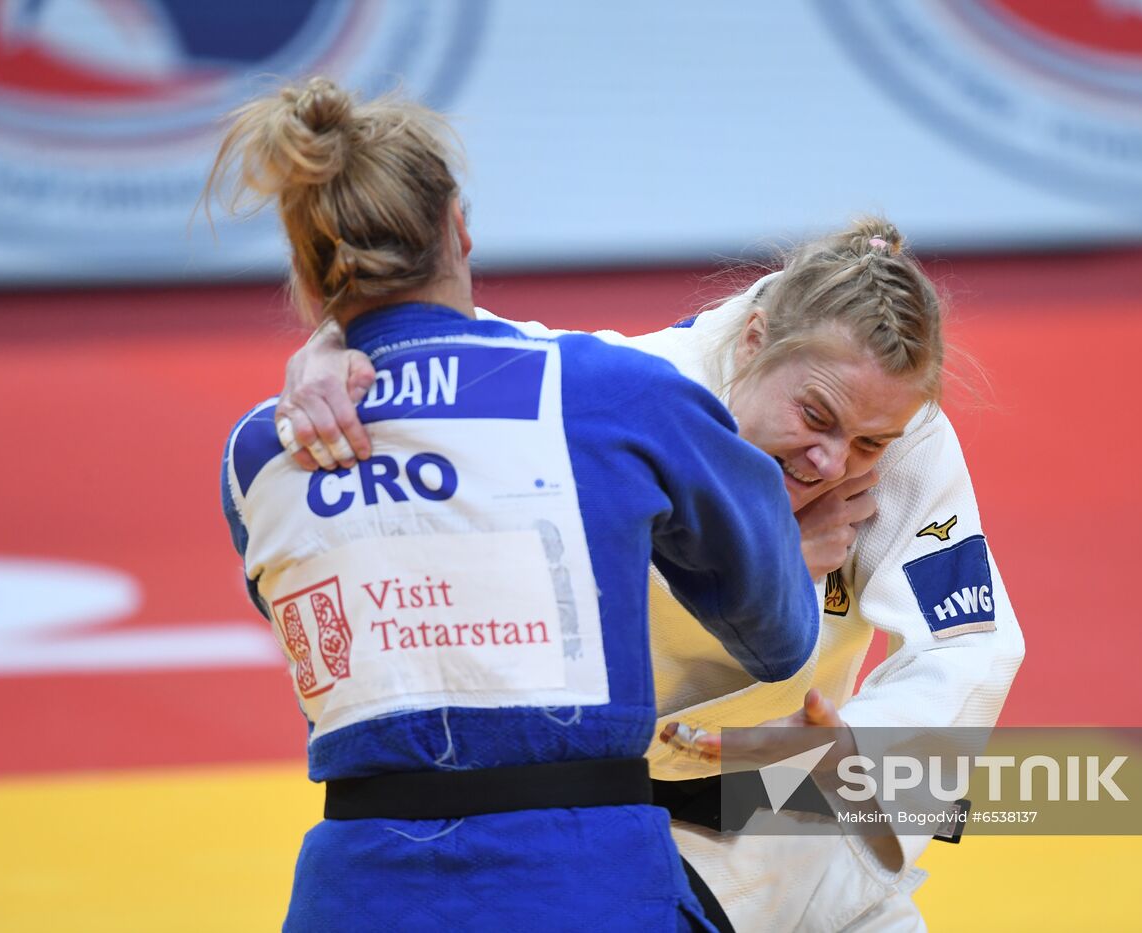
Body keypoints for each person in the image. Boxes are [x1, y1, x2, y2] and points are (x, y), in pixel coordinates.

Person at [279, 218, 1026, 931]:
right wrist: (337, 344)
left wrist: (850, 751)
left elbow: (971, 644)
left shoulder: (901, 429)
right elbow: (464, 351)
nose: (832, 461)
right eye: (815, 415)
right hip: (627, 829)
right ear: (754, 342)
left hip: (807, 816)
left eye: (867, 442)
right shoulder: (629, 390)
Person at [213, 77, 821, 931]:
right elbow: (780, 636)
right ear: (458, 226)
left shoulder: (257, 456)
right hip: (584, 885)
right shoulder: (617, 397)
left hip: (352, 893)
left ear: (305, 273)